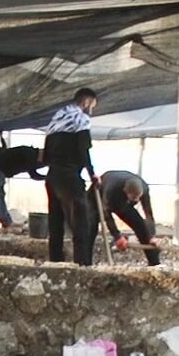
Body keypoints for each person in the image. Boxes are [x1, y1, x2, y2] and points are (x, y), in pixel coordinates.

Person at [43, 88, 99, 266]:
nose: (92, 109)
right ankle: (82, 264)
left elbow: (45, 153)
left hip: (53, 176)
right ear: (86, 102)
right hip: (69, 176)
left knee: (56, 221)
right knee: (81, 222)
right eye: (92, 105)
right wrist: (92, 173)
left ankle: (55, 262)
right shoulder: (81, 119)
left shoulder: (57, 117)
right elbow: (83, 149)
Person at [95, 170, 162, 266]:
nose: (137, 201)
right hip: (101, 191)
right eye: (134, 198)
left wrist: (151, 236)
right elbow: (107, 214)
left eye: (138, 198)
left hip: (122, 202)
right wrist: (117, 236)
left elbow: (148, 214)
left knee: (141, 226)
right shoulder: (111, 191)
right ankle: (85, 264)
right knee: (90, 223)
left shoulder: (144, 189)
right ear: (125, 192)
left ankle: (154, 263)